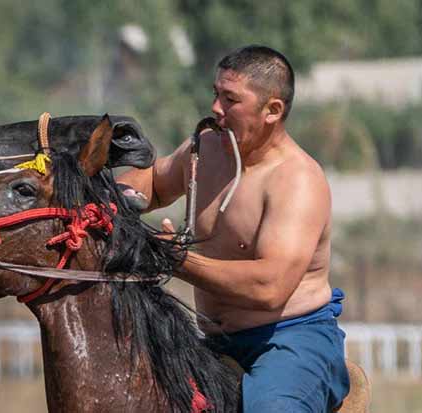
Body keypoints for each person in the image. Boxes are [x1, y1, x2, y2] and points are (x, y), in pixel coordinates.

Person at [118, 45, 350, 412]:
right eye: (216, 94)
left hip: (292, 341)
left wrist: (177, 259)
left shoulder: (297, 180)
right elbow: (156, 182)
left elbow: (269, 288)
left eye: (230, 99)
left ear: (273, 110)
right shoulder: (205, 150)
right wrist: (116, 195)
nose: (215, 108)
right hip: (212, 338)